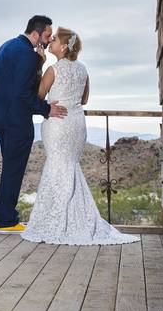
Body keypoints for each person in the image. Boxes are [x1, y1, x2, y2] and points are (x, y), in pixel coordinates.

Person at [21, 27, 138, 245]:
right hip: (76, 123)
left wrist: (40, 63)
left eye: (54, 39)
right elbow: (84, 100)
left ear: (63, 47)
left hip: (57, 124)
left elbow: (38, 96)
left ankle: (54, 220)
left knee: (57, 166)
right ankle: (74, 218)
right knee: (69, 167)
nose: (51, 41)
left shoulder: (52, 69)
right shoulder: (83, 69)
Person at [0, 15, 67, 233]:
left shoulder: (7, 46)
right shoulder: (28, 55)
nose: (49, 41)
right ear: (36, 34)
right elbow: (24, 93)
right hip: (17, 122)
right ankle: (7, 221)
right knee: (14, 169)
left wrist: (0, 102)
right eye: (47, 36)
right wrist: (47, 109)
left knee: (10, 168)